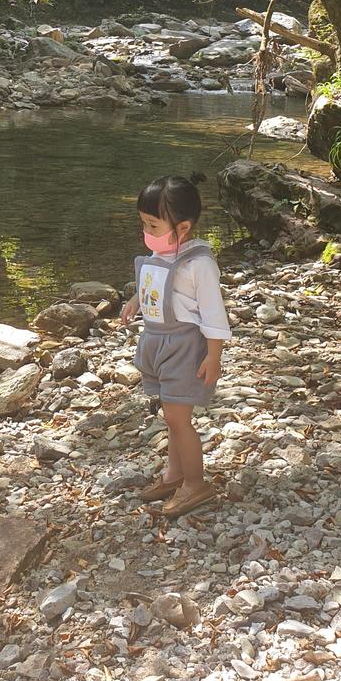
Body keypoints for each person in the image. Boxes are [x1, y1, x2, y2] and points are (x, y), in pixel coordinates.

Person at [119, 172, 231, 519]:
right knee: (171, 416)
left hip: (184, 347)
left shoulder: (199, 264)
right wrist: (137, 300)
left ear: (183, 228)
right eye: (143, 223)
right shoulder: (161, 254)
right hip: (157, 342)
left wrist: (214, 357)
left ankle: (196, 483)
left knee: (179, 419)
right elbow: (154, 286)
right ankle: (174, 474)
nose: (146, 231)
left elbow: (213, 314)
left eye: (153, 225)